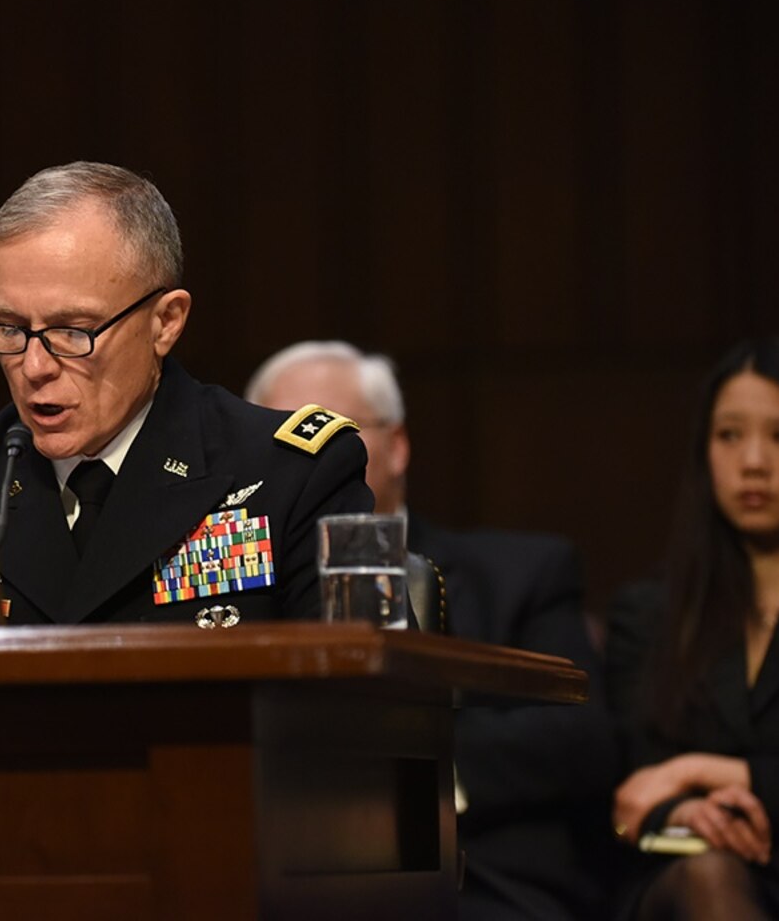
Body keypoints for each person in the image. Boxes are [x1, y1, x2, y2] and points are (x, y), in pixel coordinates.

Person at [0, 161, 372, 625]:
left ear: (165, 322)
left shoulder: (290, 476)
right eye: (10, 328)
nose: (35, 367)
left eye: (72, 331)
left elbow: (366, 704)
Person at [246, 340, 617, 920]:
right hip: (276, 875)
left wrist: (399, 767)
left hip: (485, 880)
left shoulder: (520, 574)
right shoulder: (233, 590)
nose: (307, 459)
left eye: (330, 432)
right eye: (285, 439)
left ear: (397, 447)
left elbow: (581, 740)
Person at [607, 337, 779, 920]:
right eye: (729, 435)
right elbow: (629, 776)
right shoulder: (651, 610)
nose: (753, 461)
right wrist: (680, 810)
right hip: (692, 870)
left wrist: (714, 772)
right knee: (710, 876)